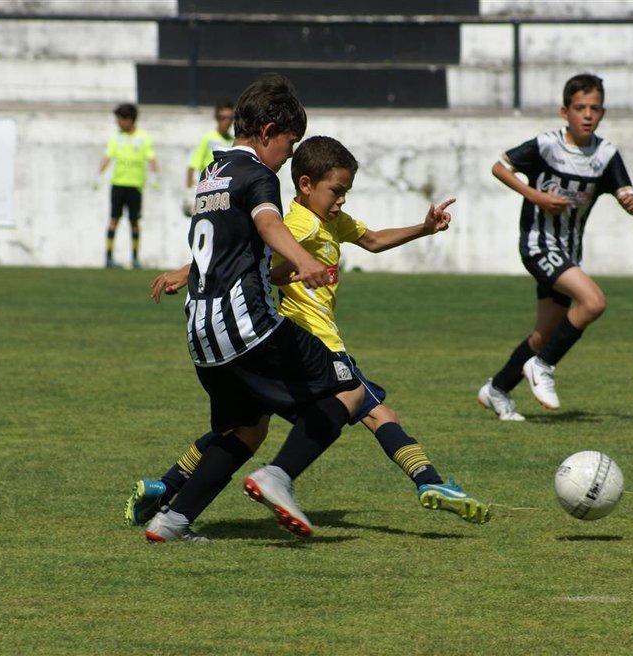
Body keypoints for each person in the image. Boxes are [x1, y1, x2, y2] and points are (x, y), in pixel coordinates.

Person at [126, 136, 492, 530]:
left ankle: (168, 489)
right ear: (304, 185)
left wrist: (423, 228)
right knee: (370, 408)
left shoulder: (331, 222)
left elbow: (371, 241)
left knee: (245, 428)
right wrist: (185, 272)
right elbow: (244, 251)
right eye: (336, 191)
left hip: (287, 342)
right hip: (311, 344)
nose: (342, 201)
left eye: (346, 192)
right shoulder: (298, 225)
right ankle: (427, 482)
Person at [138, 74, 366, 543]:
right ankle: (277, 476)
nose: (287, 156)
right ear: (266, 131)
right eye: (289, 143)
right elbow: (266, 223)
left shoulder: (211, 175)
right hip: (248, 327)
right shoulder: (259, 175)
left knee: (246, 427)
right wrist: (304, 260)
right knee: (349, 392)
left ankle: (173, 520)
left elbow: (225, 241)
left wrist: (187, 272)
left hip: (202, 333)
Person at [477, 73, 633, 420]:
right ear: (564, 111)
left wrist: (630, 203)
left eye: (594, 108)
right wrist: (536, 196)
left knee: (544, 333)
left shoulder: (606, 154)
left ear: (602, 113)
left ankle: (497, 389)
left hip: (568, 251)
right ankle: (543, 366)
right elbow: (500, 167)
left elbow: (626, 192)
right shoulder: (547, 145)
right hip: (539, 244)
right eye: (579, 107)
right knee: (594, 301)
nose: (587, 115)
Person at [97, 103, 159, 269]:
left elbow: (151, 158)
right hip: (118, 185)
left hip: (135, 186)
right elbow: (107, 156)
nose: (118, 123)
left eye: (120, 119)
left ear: (129, 119)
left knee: (134, 222)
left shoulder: (143, 138)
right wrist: (98, 175)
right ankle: (109, 257)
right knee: (113, 220)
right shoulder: (116, 137)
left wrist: (154, 176)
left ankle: (135, 258)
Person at [183, 100, 235, 216]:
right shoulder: (208, 139)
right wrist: (189, 192)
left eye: (230, 118)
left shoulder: (234, 141)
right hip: (208, 194)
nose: (227, 121)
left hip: (226, 195)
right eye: (223, 117)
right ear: (216, 118)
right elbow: (192, 166)